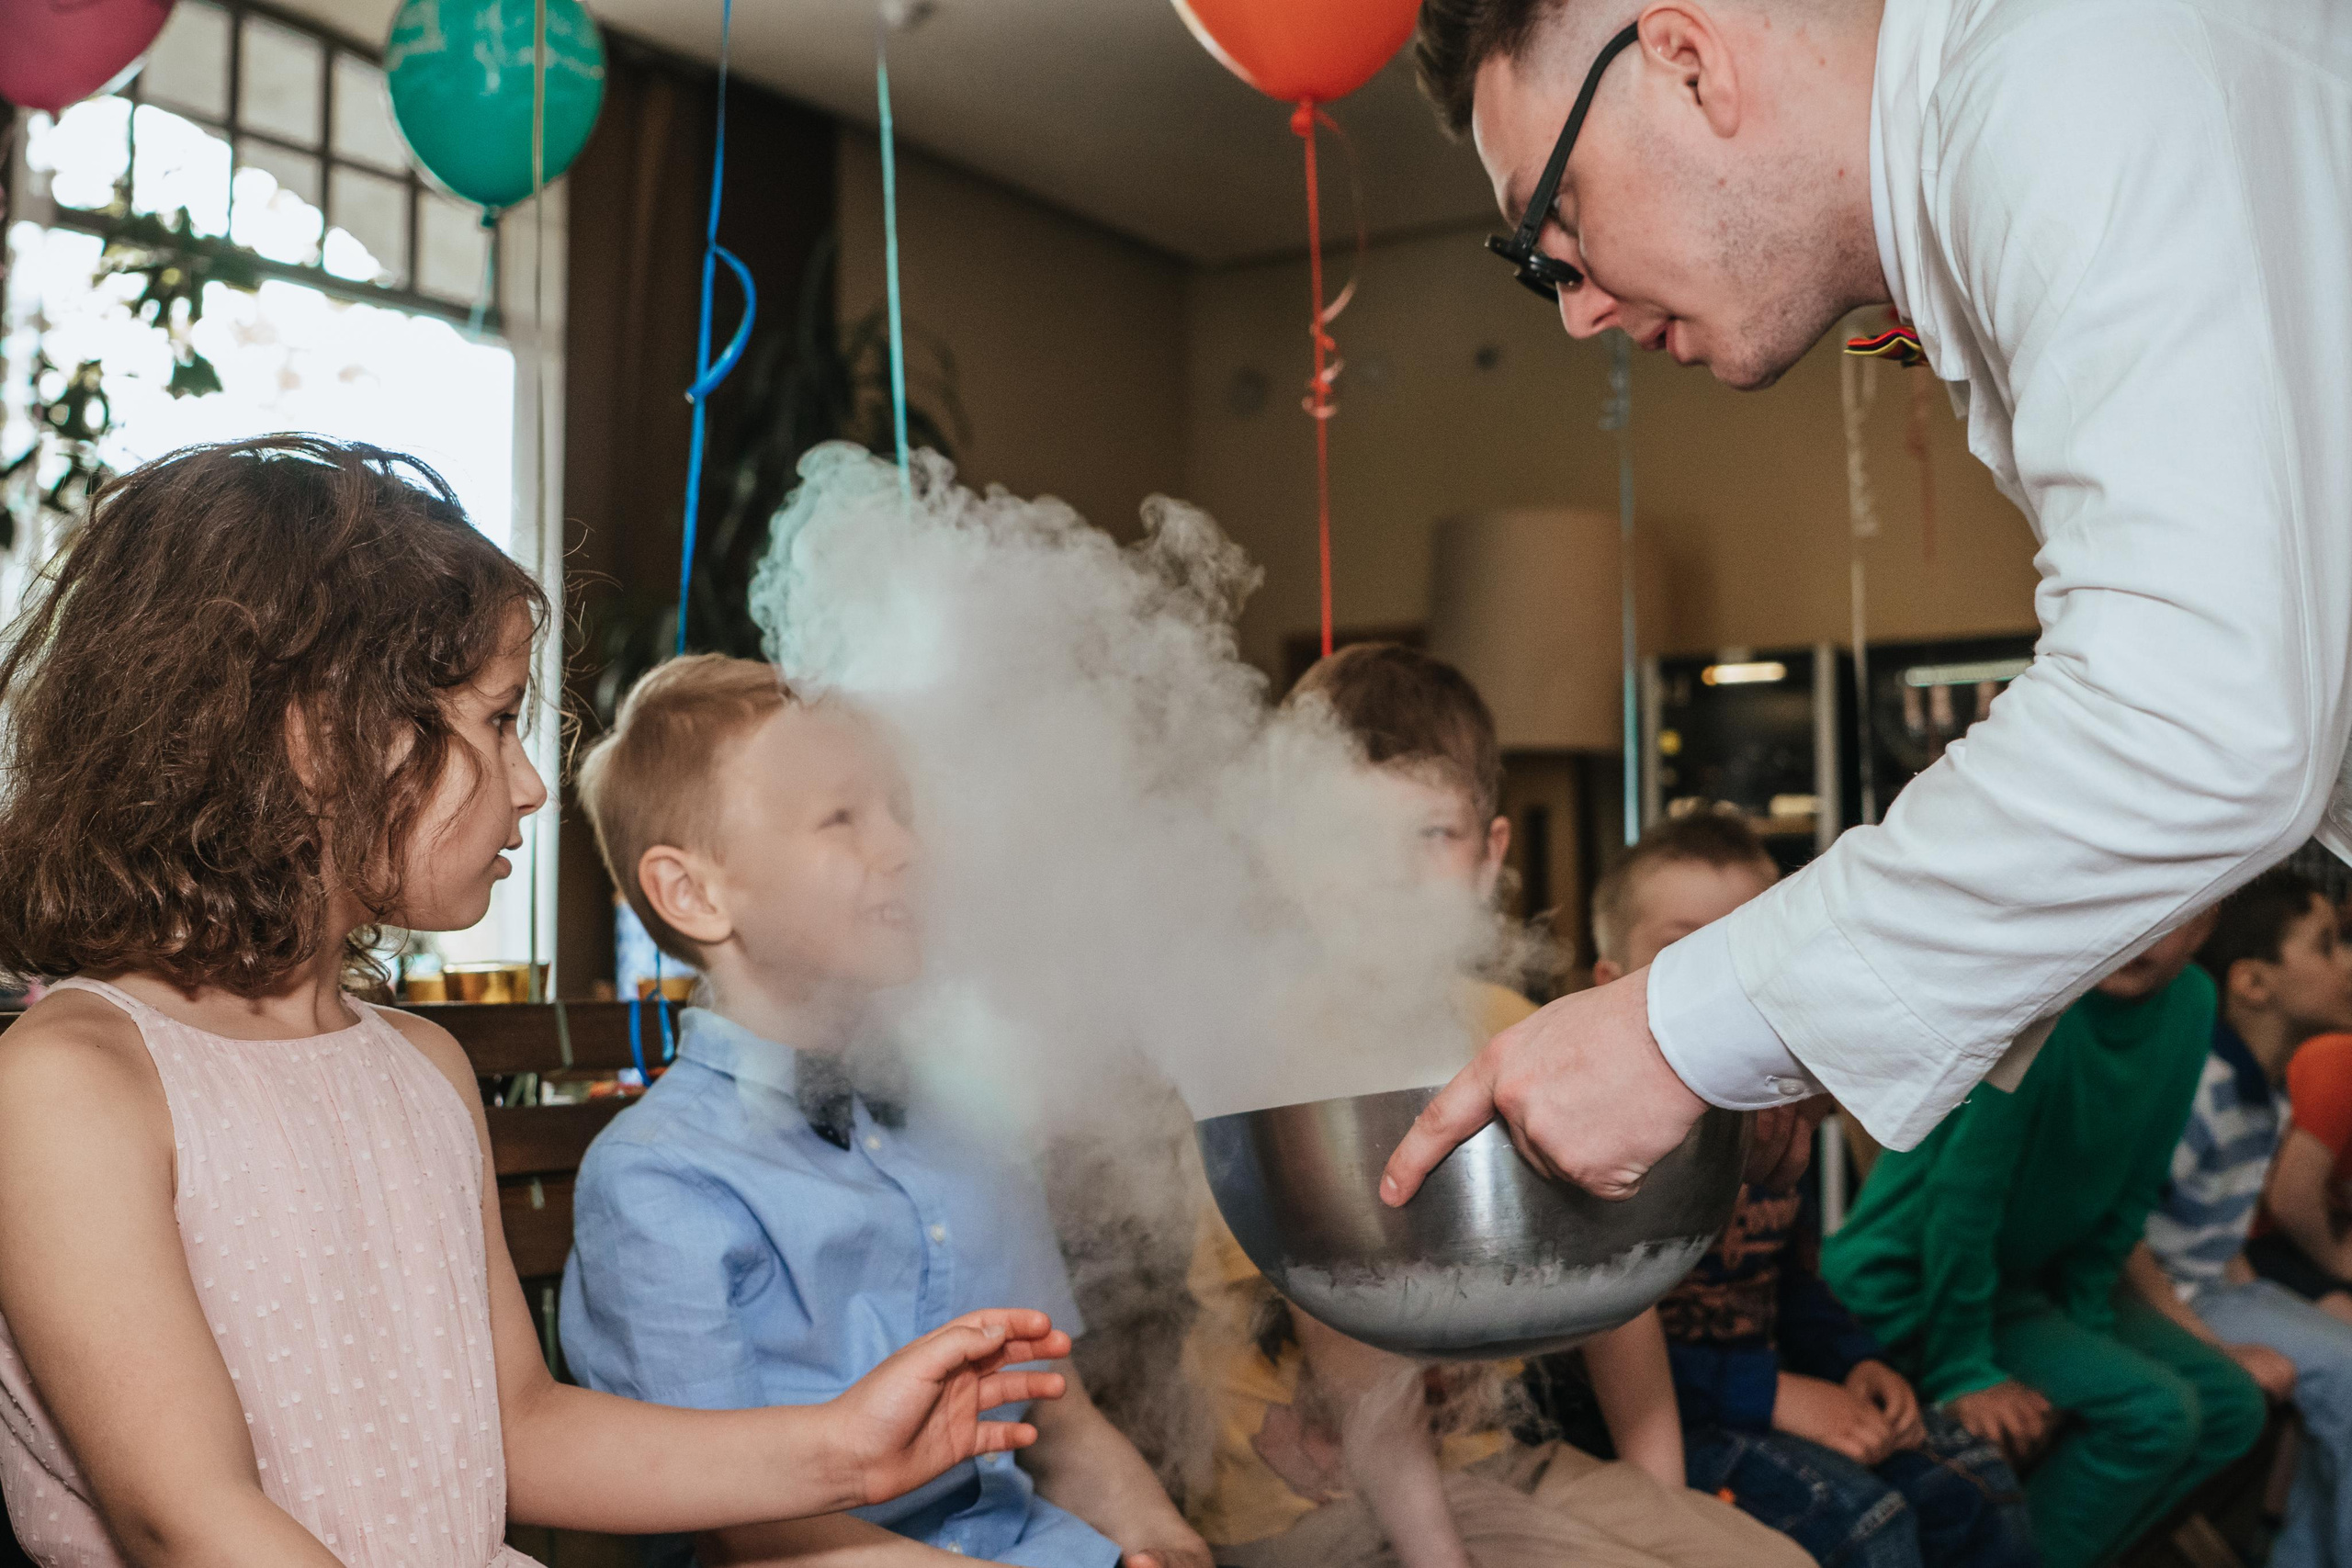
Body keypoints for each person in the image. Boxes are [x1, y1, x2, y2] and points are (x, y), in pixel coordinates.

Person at [0, 438, 1071, 1567]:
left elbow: (519, 1427)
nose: (530, 785)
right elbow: (186, 1519)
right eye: (499, 719)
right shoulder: (72, 1087)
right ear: (317, 734)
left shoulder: (421, 1066)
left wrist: (845, 1451)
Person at [1378, 0, 2352, 1215]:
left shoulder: (2064, 64)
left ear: (1684, 61)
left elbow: (2196, 713)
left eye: (1553, 220)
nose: (1576, 312)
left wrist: (1676, 1032)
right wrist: (1789, 1039)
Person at [560, 654, 1207, 1568]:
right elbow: (750, 1529)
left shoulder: (970, 1124)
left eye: (901, 809)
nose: (906, 848)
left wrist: (1164, 1542)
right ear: (694, 894)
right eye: (842, 817)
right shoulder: (657, 1178)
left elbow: (1060, 1422)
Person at [1185, 645, 1809, 1568]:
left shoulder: (1519, 1030)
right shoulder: (1266, 1064)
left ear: (1490, 857)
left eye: (1432, 834)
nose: (1390, 876)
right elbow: (1354, 1328)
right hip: (1315, 1503)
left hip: (1491, 1462)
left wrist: (1664, 1501)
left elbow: (1610, 1269)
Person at [1587, 814, 2034, 1568]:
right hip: (1674, 1419)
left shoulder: (1770, 1123)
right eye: (1683, 954)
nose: (1717, 987)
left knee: (1975, 1487)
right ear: (1608, 985)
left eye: (1742, 954)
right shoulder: (1606, 1144)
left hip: (1774, 1387)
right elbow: (1579, 1364)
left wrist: (1855, 1359)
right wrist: (1770, 1393)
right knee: (1866, 1526)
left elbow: (1791, 1283)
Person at [1821, 908, 2265, 1568]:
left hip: (2021, 1288)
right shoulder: (2039, 992)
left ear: (2208, 925)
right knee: (2157, 1415)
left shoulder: (2194, 1002)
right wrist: (1963, 1370)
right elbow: (1962, 1202)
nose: (2149, 928)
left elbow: (2134, 1184)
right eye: (2136, 897)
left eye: (2181, 911)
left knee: (2232, 1408)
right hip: (1911, 1283)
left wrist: (2084, 1325)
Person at [2138, 866, 2352, 1568]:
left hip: (2216, 1286)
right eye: (2326, 944)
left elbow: (2221, 1234)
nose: (2348, 963)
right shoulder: (2201, 1087)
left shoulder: (2263, 1086)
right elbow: (2121, 1238)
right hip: (2163, 1302)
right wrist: (2212, 1343)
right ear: (2254, 982)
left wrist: (2273, 1303)